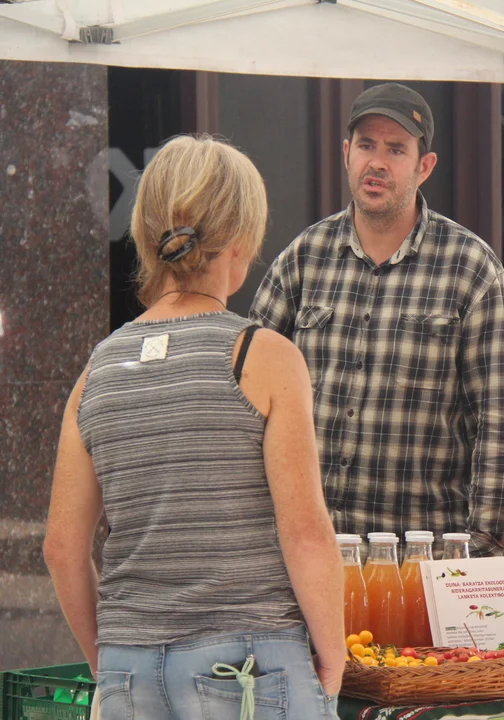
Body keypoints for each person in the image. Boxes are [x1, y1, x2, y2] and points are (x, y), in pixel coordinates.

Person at [43, 134, 345, 719]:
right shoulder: (263, 357)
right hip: (250, 661)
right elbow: (306, 534)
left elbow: (61, 548)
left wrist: (108, 664)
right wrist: (333, 656)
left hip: (129, 664)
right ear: (241, 242)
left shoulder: (97, 369)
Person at [250, 83, 504, 557]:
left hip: (421, 563)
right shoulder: (302, 259)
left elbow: (503, 421)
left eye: (396, 149)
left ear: (425, 166)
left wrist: (479, 553)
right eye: (366, 146)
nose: (377, 163)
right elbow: (248, 400)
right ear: (346, 154)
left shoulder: (470, 269)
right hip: (309, 557)